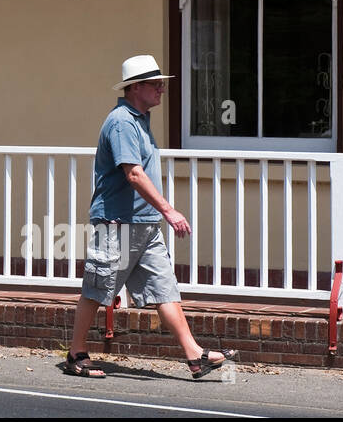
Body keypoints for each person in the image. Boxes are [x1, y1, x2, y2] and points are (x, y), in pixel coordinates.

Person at [65, 55, 238, 379]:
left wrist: (158, 214)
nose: (162, 89)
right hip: (118, 222)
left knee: (164, 288)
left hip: (144, 224)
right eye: (155, 84)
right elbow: (133, 174)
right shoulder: (122, 122)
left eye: (162, 83)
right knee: (98, 288)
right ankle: (76, 354)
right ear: (136, 88)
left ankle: (194, 356)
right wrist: (169, 210)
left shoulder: (140, 119)